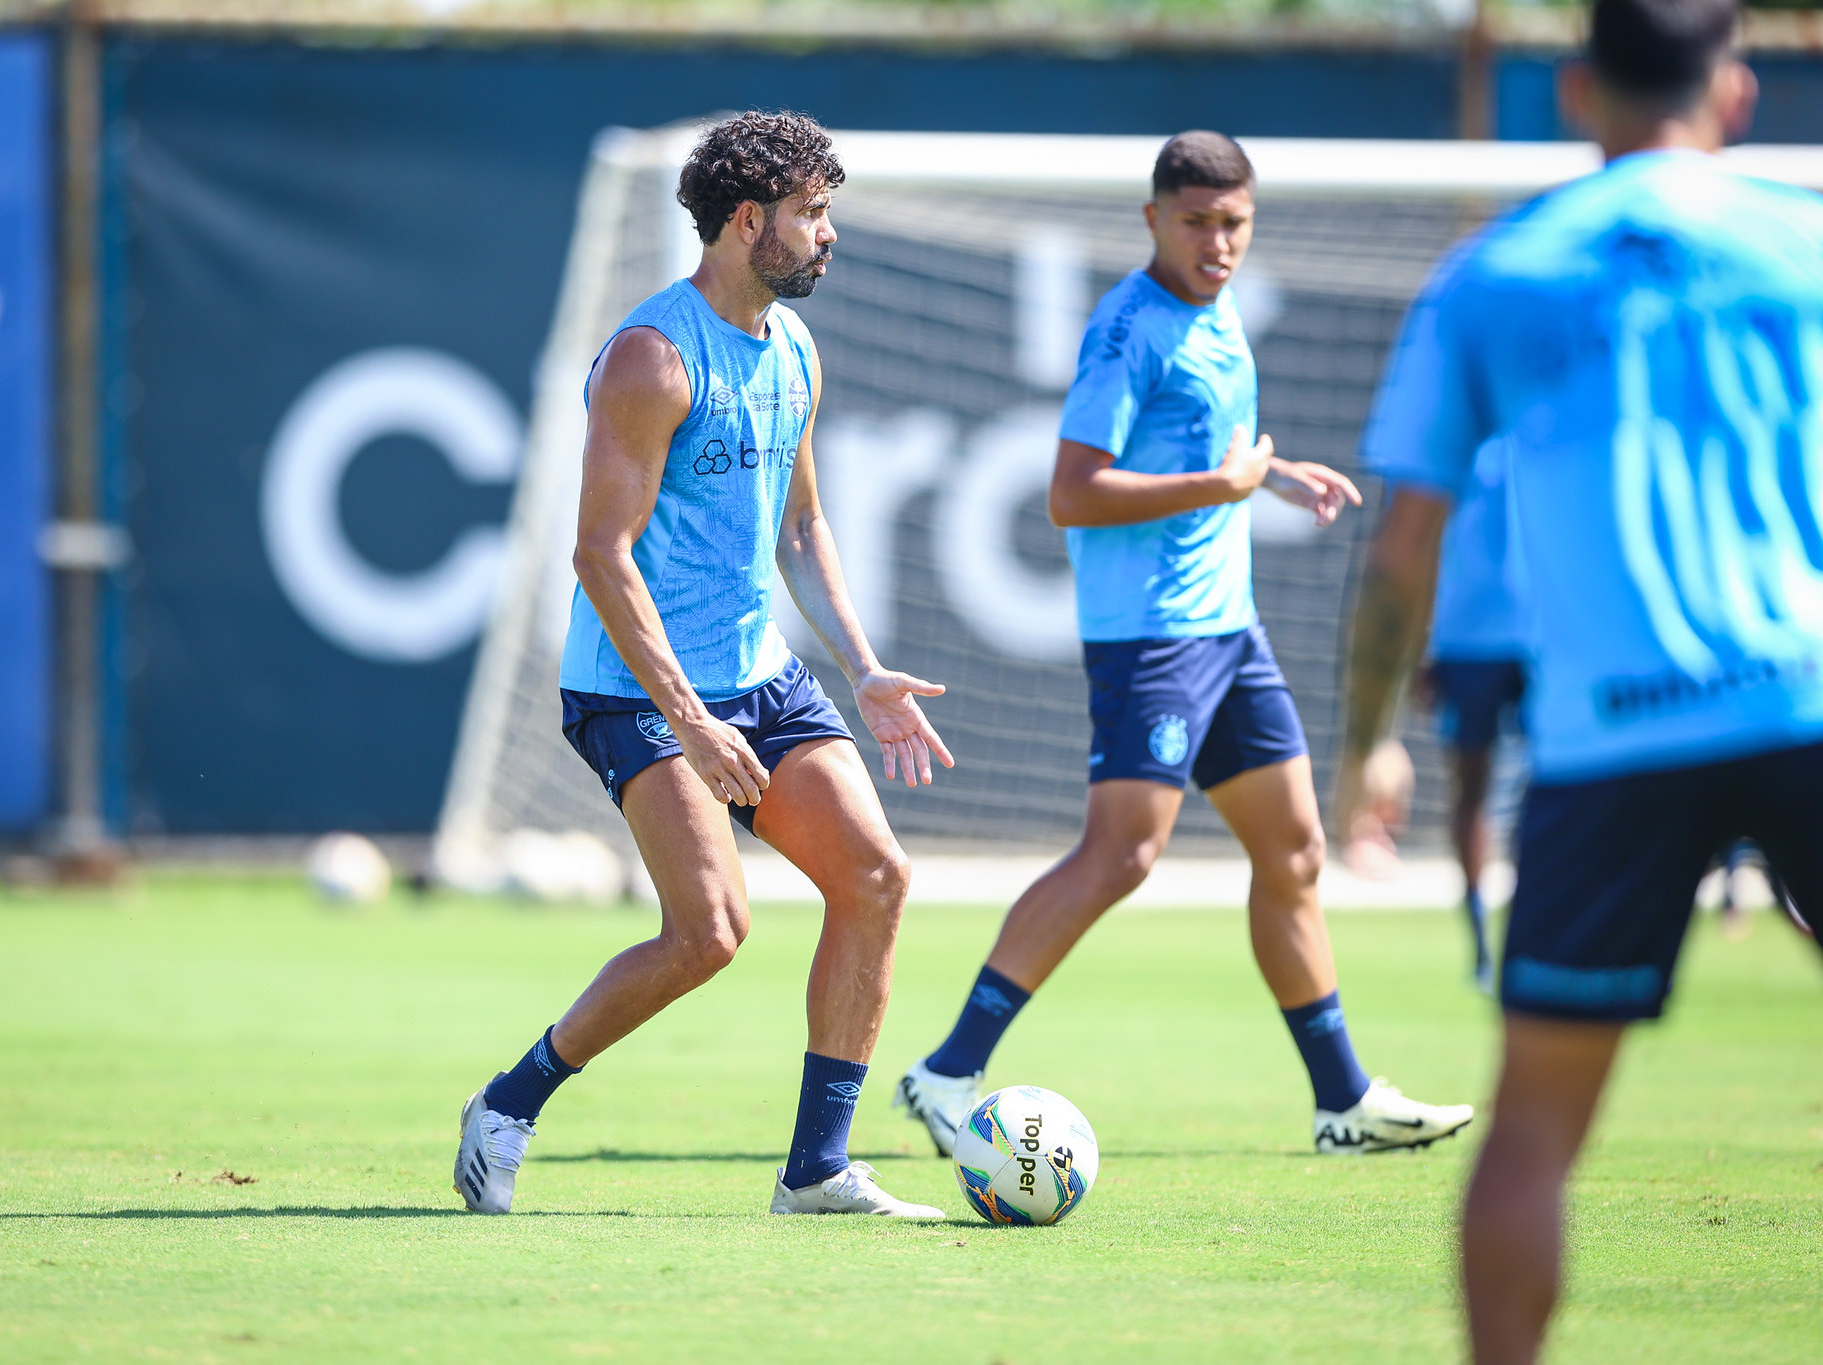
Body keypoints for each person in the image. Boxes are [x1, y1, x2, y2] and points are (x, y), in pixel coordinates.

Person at [1345, 1, 1823, 1358]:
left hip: (1612, 739)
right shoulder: (1804, 243)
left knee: (1533, 1133)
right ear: (1735, 93)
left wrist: (1366, 743)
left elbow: (1402, 550)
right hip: (1806, 701)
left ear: (1573, 92)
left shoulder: (1491, 275)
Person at [895, 131, 1474, 1159]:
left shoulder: (1219, 308)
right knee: (1120, 854)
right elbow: (1071, 493)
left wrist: (1272, 474)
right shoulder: (1130, 330)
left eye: (1234, 223)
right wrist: (1224, 485)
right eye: (1196, 222)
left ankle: (1341, 1100)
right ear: (1152, 219)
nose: (1217, 243)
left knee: (1295, 851)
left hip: (1227, 628)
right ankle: (947, 1070)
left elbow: (1208, 449)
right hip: (1152, 638)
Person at [454, 112, 955, 1219]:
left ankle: (816, 1171)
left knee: (876, 878)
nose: (829, 234)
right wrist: (685, 717)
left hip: (756, 674)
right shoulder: (654, 357)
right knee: (711, 933)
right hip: (636, 687)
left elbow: (801, 528)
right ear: (745, 222)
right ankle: (508, 1102)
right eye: (811, 214)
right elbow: (600, 554)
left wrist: (862, 667)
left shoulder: (795, 346)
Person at [1343, 437, 1527, 990]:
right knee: (1478, 790)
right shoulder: (1467, 437)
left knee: (1533, 789)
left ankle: (1514, 933)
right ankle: (1487, 935)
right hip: (1476, 641)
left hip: (1522, 639)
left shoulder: (1527, 432)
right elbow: (1413, 547)